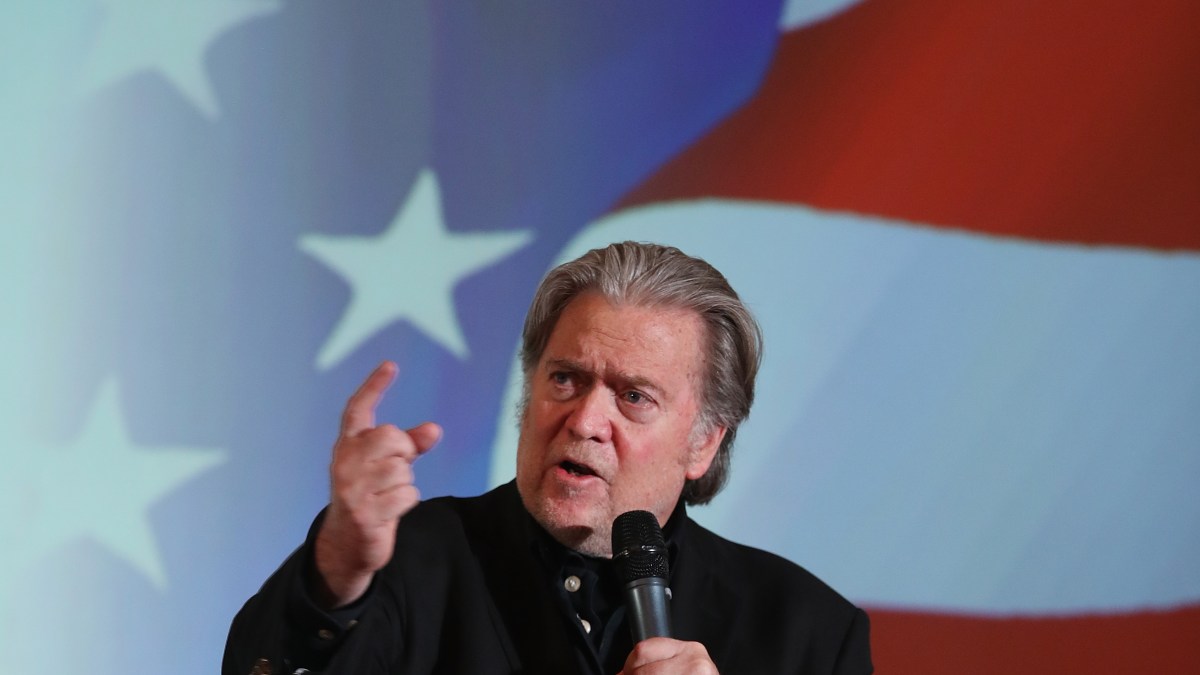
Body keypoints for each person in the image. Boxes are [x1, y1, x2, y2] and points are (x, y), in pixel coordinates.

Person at [223, 241, 873, 674]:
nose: (585, 420)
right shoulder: (404, 561)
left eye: (634, 396)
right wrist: (338, 567)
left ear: (704, 441)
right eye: (565, 379)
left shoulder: (807, 633)